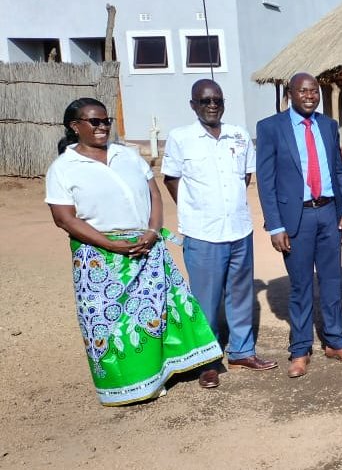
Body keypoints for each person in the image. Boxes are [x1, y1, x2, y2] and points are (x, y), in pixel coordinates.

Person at [46, 98, 221, 405]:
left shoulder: (127, 155)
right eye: (94, 122)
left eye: (105, 121)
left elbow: (154, 195)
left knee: (155, 312)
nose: (102, 127)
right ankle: (132, 384)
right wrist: (111, 244)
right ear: (75, 127)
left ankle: (163, 372)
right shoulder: (63, 168)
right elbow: (64, 218)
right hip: (99, 256)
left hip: (147, 246)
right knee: (110, 322)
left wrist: (152, 232)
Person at [162, 80, 278, 390]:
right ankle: (208, 361)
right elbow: (171, 179)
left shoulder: (238, 135)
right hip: (203, 233)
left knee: (240, 295)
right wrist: (195, 209)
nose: (212, 105)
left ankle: (242, 351)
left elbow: (245, 176)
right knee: (205, 301)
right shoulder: (180, 138)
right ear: (193, 105)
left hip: (239, 229)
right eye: (204, 100)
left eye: (217, 100)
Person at [256, 72, 342, 378]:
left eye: (314, 91)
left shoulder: (328, 126)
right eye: (303, 91)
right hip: (297, 218)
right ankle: (300, 349)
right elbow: (265, 182)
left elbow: (338, 170)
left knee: (332, 281)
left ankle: (335, 342)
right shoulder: (270, 128)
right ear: (290, 93)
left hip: (328, 212)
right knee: (301, 285)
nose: (310, 96)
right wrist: (275, 226)